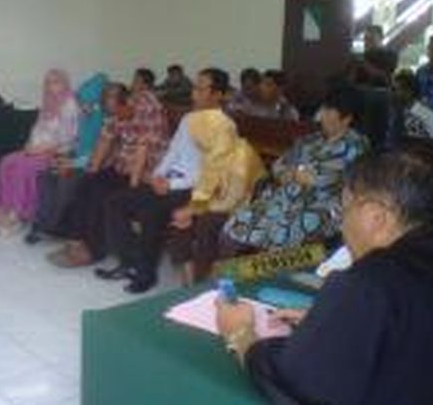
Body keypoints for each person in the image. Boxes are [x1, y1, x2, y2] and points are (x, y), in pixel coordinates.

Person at [216, 151, 433, 405]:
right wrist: (338, 323)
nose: (341, 224)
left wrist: (242, 336)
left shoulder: (368, 284)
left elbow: (299, 385)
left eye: (344, 209)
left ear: (377, 217)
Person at [99, 68, 266, 293]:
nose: (194, 93)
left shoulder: (225, 128)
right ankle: (129, 262)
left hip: (194, 189)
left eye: (200, 88)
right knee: (115, 202)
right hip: (169, 181)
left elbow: (212, 173)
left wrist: (172, 185)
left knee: (150, 210)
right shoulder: (189, 118)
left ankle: (145, 274)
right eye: (194, 87)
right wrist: (159, 175)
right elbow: (173, 152)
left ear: (218, 95)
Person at [222, 87, 369, 251]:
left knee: (280, 233)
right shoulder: (311, 139)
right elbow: (279, 165)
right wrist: (294, 173)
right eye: (323, 109)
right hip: (285, 197)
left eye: (329, 111)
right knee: (236, 223)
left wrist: (292, 173)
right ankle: (232, 272)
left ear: (346, 118)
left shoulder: (354, 145)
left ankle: (269, 271)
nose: (321, 116)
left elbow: (319, 179)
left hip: (320, 206)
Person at [47, 77, 169, 268]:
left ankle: (94, 251)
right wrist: (92, 171)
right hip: (123, 164)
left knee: (102, 195)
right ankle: (76, 241)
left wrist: (133, 187)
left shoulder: (148, 108)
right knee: (86, 185)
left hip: (147, 171)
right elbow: (104, 140)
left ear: (128, 101)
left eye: (117, 113)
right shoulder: (113, 111)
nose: (115, 118)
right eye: (110, 113)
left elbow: (142, 152)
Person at [0, 69, 79, 236]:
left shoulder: (70, 105)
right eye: (48, 82)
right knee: (5, 162)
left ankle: (18, 215)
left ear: (64, 84)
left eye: (55, 82)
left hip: (57, 153)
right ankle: (3, 210)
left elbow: (67, 139)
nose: (50, 86)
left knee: (22, 167)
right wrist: (28, 145)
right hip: (36, 150)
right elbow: (36, 129)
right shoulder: (47, 102)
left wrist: (38, 150)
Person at [25, 73, 109, 245]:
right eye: (81, 101)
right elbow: (75, 143)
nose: (82, 106)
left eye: (88, 102)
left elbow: (99, 153)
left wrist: (71, 163)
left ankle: (52, 227)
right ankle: (43, 224)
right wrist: (63, 157)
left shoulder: (103, 120)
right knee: (46, 176)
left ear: (99, 102)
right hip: (77, 159)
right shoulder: (84, 117)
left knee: (64, 180)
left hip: (95, 165)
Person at [392, 69, 433, 140]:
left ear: (409, 91)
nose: (392, 93)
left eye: (395, 89)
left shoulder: (413, 117)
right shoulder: (422, 110)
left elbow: (415, 146)